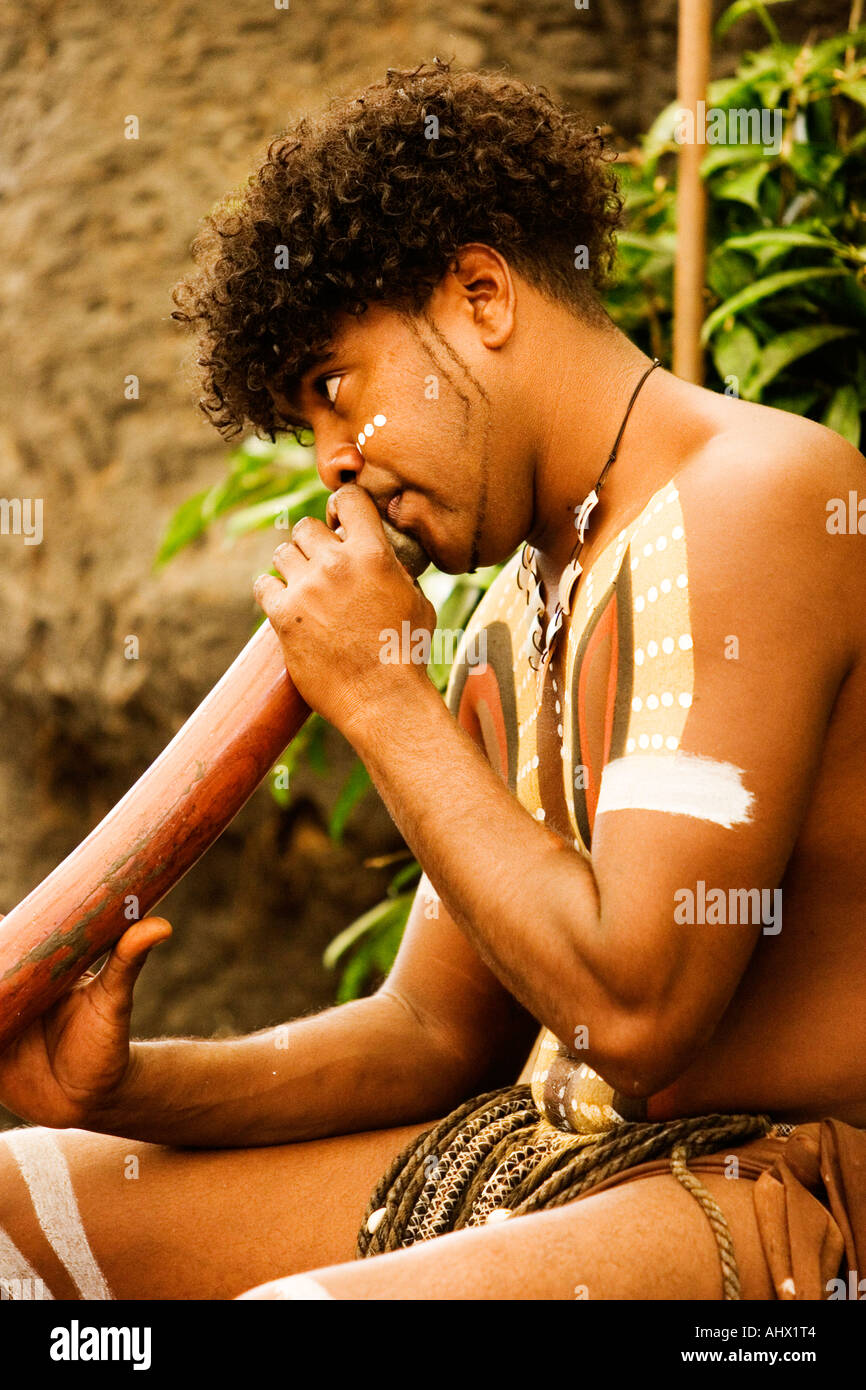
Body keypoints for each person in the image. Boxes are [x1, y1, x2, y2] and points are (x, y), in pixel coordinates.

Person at [1, 60, 864, 1303]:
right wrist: (128, 1087)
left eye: (333, 390)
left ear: (479, 294)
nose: (334, 470)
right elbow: (428, 1034)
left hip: (788, 1205)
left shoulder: (757, 501)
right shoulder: (510, 611)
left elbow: (634, 1015)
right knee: (16, 1204)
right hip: (556, 1167)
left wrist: (382, 697)